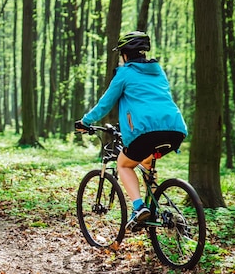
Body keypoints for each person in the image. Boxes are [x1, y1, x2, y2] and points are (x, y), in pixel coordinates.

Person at [75, 31, 187, 228]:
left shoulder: (125, 73)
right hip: (175, 130)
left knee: (124, 165)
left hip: (146, 131)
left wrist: (85, 121)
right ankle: (156, 212)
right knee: (146, 163)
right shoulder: (158, 70)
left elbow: (105, 103)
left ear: (125, 54)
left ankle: (138, 208)